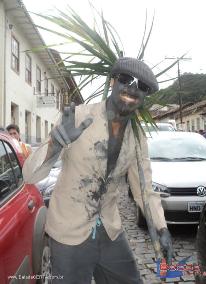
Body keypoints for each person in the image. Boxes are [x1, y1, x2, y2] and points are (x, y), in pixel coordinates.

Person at [23, 57, 173, 284]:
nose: (132, 88)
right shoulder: (78, 117)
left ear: (144, 97)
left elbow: (144, 189)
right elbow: (30, 176)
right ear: (113, 81)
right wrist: (54, 144)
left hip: (109, 230)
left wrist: (161, 227)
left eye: (141, 86)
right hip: (68, 233)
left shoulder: (137, 136)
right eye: (126, 79)